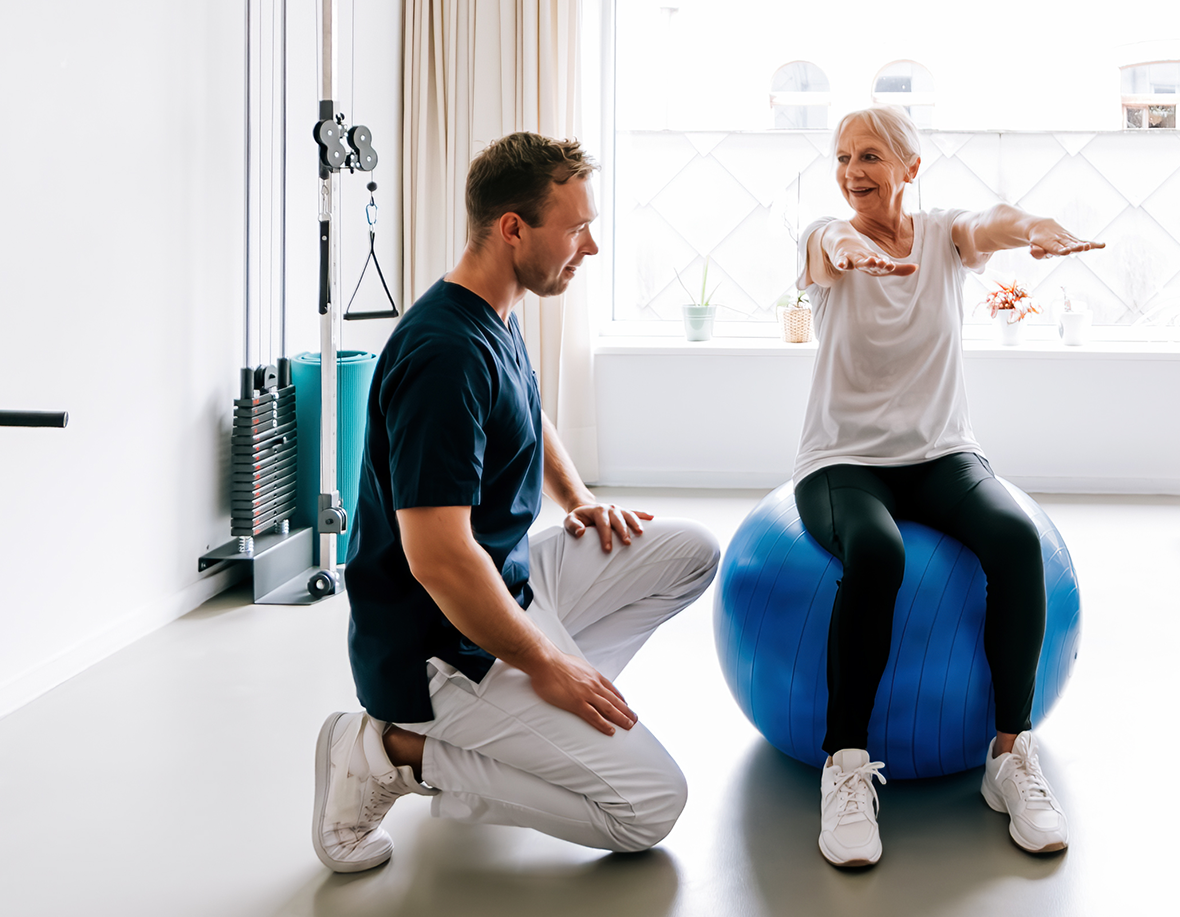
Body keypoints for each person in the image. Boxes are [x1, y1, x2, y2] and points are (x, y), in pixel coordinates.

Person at [309, 132, 720, 873]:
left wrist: (579, 498)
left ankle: (530, 727)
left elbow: (526, 411)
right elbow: (437, 557)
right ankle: (393, 753)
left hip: (507, 582)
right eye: (576, 228)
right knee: (648, 809)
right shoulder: (444, 357)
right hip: (439, 648)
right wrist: (544, 665)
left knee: (690, 551)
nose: (589, 247)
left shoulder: (494, 307)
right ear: (513, 229)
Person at [794, 106, 1102, 867]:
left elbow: (988, 223)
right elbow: (829, 245)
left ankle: (1009, 754)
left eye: (869, 156)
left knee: (1014, 535)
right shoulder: (823, 239)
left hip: (940, 454)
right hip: (842, 461)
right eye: (841, 157)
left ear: (910, 168)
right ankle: (845, 765)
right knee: (876, 552)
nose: (852, 171)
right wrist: (854, 255)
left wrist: (1034, 227)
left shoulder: (939, 237)